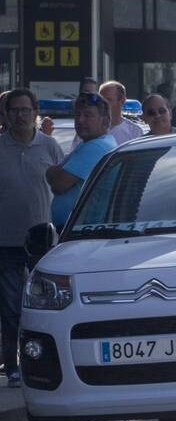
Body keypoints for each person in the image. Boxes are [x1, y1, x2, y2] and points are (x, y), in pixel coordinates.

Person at [0, 88, 65, 387]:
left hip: (44, 242)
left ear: (35, 112)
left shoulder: (50, 147)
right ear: (6, 114)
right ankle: (12, 366)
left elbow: (63, 188)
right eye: (14, 110)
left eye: (26, 110)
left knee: (43, 306)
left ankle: (44, 361)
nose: (20, 116)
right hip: (6, 240)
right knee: (11, 306)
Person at [47, 92, 117, 229]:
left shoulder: (97, 146)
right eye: (77, 114)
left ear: (105, 121)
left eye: (88, 115)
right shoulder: (90, 143)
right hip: (79, 229)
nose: (80, 120)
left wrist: (51, 170)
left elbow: (58, 184)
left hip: (84, 231)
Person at [98, 81, 142, 145]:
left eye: (107, 100)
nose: (102, 104)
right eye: (100, 100)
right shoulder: (90, 129)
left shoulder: (134, 132)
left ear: (122, 100)